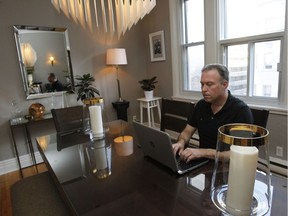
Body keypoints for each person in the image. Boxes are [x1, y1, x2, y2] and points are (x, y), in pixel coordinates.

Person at [173, 63, 253, 162]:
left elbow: (241, 153)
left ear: (225, 85)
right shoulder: (201, 105)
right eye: (202, 84)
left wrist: (203, 152)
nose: (203, 89)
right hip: (202, 164)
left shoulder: (240, 111)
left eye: (209, 84)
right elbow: (186, 132)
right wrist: (181, 142)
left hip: (226, 168)